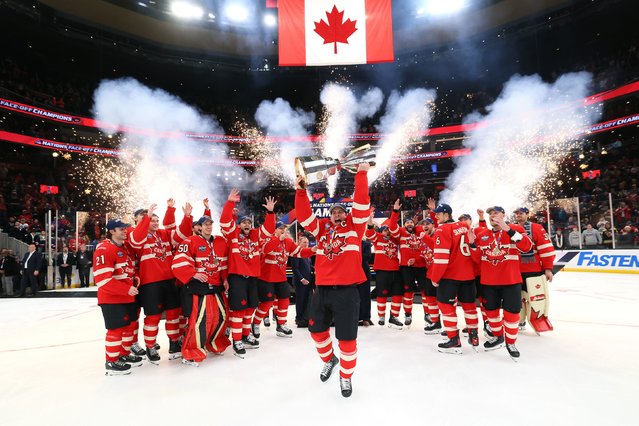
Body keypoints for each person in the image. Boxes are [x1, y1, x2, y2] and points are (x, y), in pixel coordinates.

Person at [294, 162, 371, 398]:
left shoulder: (355, 228)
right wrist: (300, 190)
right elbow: (304, 216)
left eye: (340, 211)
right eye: (333, 211)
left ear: (346, 214)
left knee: (347, 340)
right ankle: (329, 359)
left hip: (347, 292)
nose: (337, 213)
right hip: (322, 291)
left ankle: (346, 377)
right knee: (316, 331)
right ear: (329, 215)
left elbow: (361, 203)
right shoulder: (322, 231)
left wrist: (361, 174)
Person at [128, 200, 193, 364]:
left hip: (169, 281)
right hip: (150, 283)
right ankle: (150, 346)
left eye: (157, 221)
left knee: (173, 314)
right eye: (152, 220)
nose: (155, 223)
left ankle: (173, 343)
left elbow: (181, 236)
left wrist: (187, 217)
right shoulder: (137, 235)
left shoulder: (163, 234)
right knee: (153, 317)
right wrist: (146, 217)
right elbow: (135, 241)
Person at [220, 189, 276, 358]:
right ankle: (236, 340)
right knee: (238, 310)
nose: (246, 225)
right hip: (237, 278)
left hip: (252, 278)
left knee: (250, 308)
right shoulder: (232, 235)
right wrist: (230, 204)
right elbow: (224, 222)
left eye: (248, 224)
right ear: (239, 225)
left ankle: (245, 335)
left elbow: (269, 229)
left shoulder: (255, 237)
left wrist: (271, 212)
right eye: (243, 223)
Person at [473, 206, 533, 360]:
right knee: (491, 311)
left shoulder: (515, 228)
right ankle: (498, 336)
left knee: (512, 313)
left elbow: (527, 247)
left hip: (510, 280)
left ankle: (511, 342)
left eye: (496, 213)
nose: (493, 216)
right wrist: (473, 245)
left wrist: (507, 229)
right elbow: (476, 258)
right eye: (490, 214)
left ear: (503, 215)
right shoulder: (483, 234)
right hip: (488, 281)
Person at [172, 215, 231, 366]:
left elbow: (223, 264)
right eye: (205, 224)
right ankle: (190, 351)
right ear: (199, 226)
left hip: (216, 286)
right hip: (199, 288)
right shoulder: (190, 241)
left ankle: (213, 342)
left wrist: (224, 279)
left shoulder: (219, 241)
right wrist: (193, 273)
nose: (208, 227)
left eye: (210, 224)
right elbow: (178, 262)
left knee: (220, 317)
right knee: (199, 321)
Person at [94, 219, 143, 375]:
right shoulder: (104, 249)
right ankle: (112, 361)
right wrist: (126, 289)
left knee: (128, 328)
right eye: (121, 229)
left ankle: (123, 355)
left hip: (126, 297)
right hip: (111, 298)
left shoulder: (125, 247)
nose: (125, 231)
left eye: (125, 228)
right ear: (112, 231)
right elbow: (102, 280)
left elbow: (126, 270)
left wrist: (135, 279)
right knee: (115, 330)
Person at [429, 203, 479, 353]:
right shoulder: (465, 225)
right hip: (468, 275)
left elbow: (441, 258)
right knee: (470, 307)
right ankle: (474, 336)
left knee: (446, 307)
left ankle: (453, 340)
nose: (436, 216)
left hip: (450, 276)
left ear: (446, 214)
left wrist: (435, 277)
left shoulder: (443, 229)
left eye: (438, 214)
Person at [251, 222, 315, 340]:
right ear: (275, 230)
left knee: (285, 300)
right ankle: (255, 323)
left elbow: (299, 252)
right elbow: (265, 249)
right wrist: (278, 239)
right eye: (281, 228)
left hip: (281, 278)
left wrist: (313, 250)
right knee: (267, 303)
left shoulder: (288, 242)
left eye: (284, 228)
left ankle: (281, 325)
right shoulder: (267, 239)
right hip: (266, 278)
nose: (283, 230)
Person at [513, 207, 556, 331]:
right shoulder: (512, 229)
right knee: (517, 298)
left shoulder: (536, 228)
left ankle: (538, 318)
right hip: (515, 270)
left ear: (527, 214)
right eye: (516, 213)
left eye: (521, 213)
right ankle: (519, 321)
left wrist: (548, 268)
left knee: (535, 297)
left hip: (533, 270)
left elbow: (546, 249)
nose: (518, 215)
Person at [389, 201, 427, 327]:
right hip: (406, 268)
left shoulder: (420, 231)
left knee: (425, 291)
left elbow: (432, 227)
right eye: (407, 222)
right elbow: (392, 226)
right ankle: (408, 314)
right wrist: (395, 212)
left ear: (414, 223)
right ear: (404, 225)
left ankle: (428, 314)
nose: (409, 224)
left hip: (421, 266)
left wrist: (432, 212)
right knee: (408, 292)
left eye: (411, 222)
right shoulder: (400, 233)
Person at [365, 215, 402, 328]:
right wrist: (370, 224)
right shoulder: (378, 238)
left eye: (389, 230)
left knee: (397, 294)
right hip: (382, 271)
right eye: (385, 230)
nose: (388, 231)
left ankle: (394, 317)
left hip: (396, 270)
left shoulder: (395, 240)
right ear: (381, 232)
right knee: (382, 295)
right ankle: (381, 316)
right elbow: (369, 234)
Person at [291, 234, 313, 328]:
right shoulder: (296, 253)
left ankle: (304, 317)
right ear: (299, 242)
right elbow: (295, 268)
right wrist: (302, 279)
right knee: (300, 300)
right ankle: (299, 318)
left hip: (308, 281)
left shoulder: (307, 254)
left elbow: (308, 267)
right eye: (304, 242)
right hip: (300, 282)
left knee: (306, 300)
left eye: (307, 242)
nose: (306, 244)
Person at [358, 237, 373, 326]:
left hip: (363, 270)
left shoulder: (366, 244)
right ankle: (354, 316)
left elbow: (367, 257)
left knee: (365, 294)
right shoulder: (347, 242)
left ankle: (365, 317)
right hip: (351, 271)